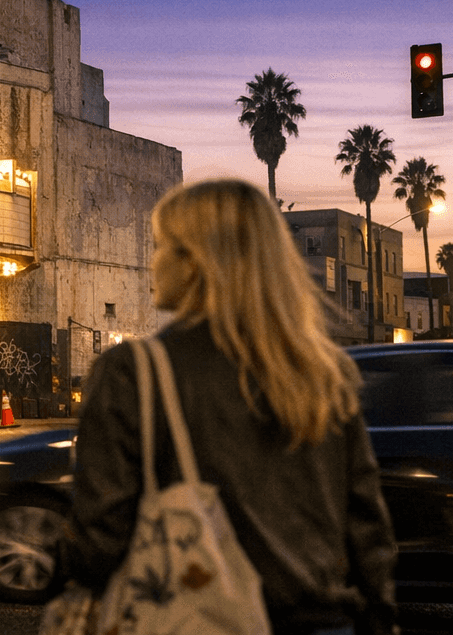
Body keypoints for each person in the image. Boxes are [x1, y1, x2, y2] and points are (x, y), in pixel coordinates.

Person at [62, 178, 399, 635]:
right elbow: (367, 530)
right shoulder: (324, 373)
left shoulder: (133, 371)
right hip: (323, 620)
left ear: (196, 262)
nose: (153, 261)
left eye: (162, 246)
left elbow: (99, 543)